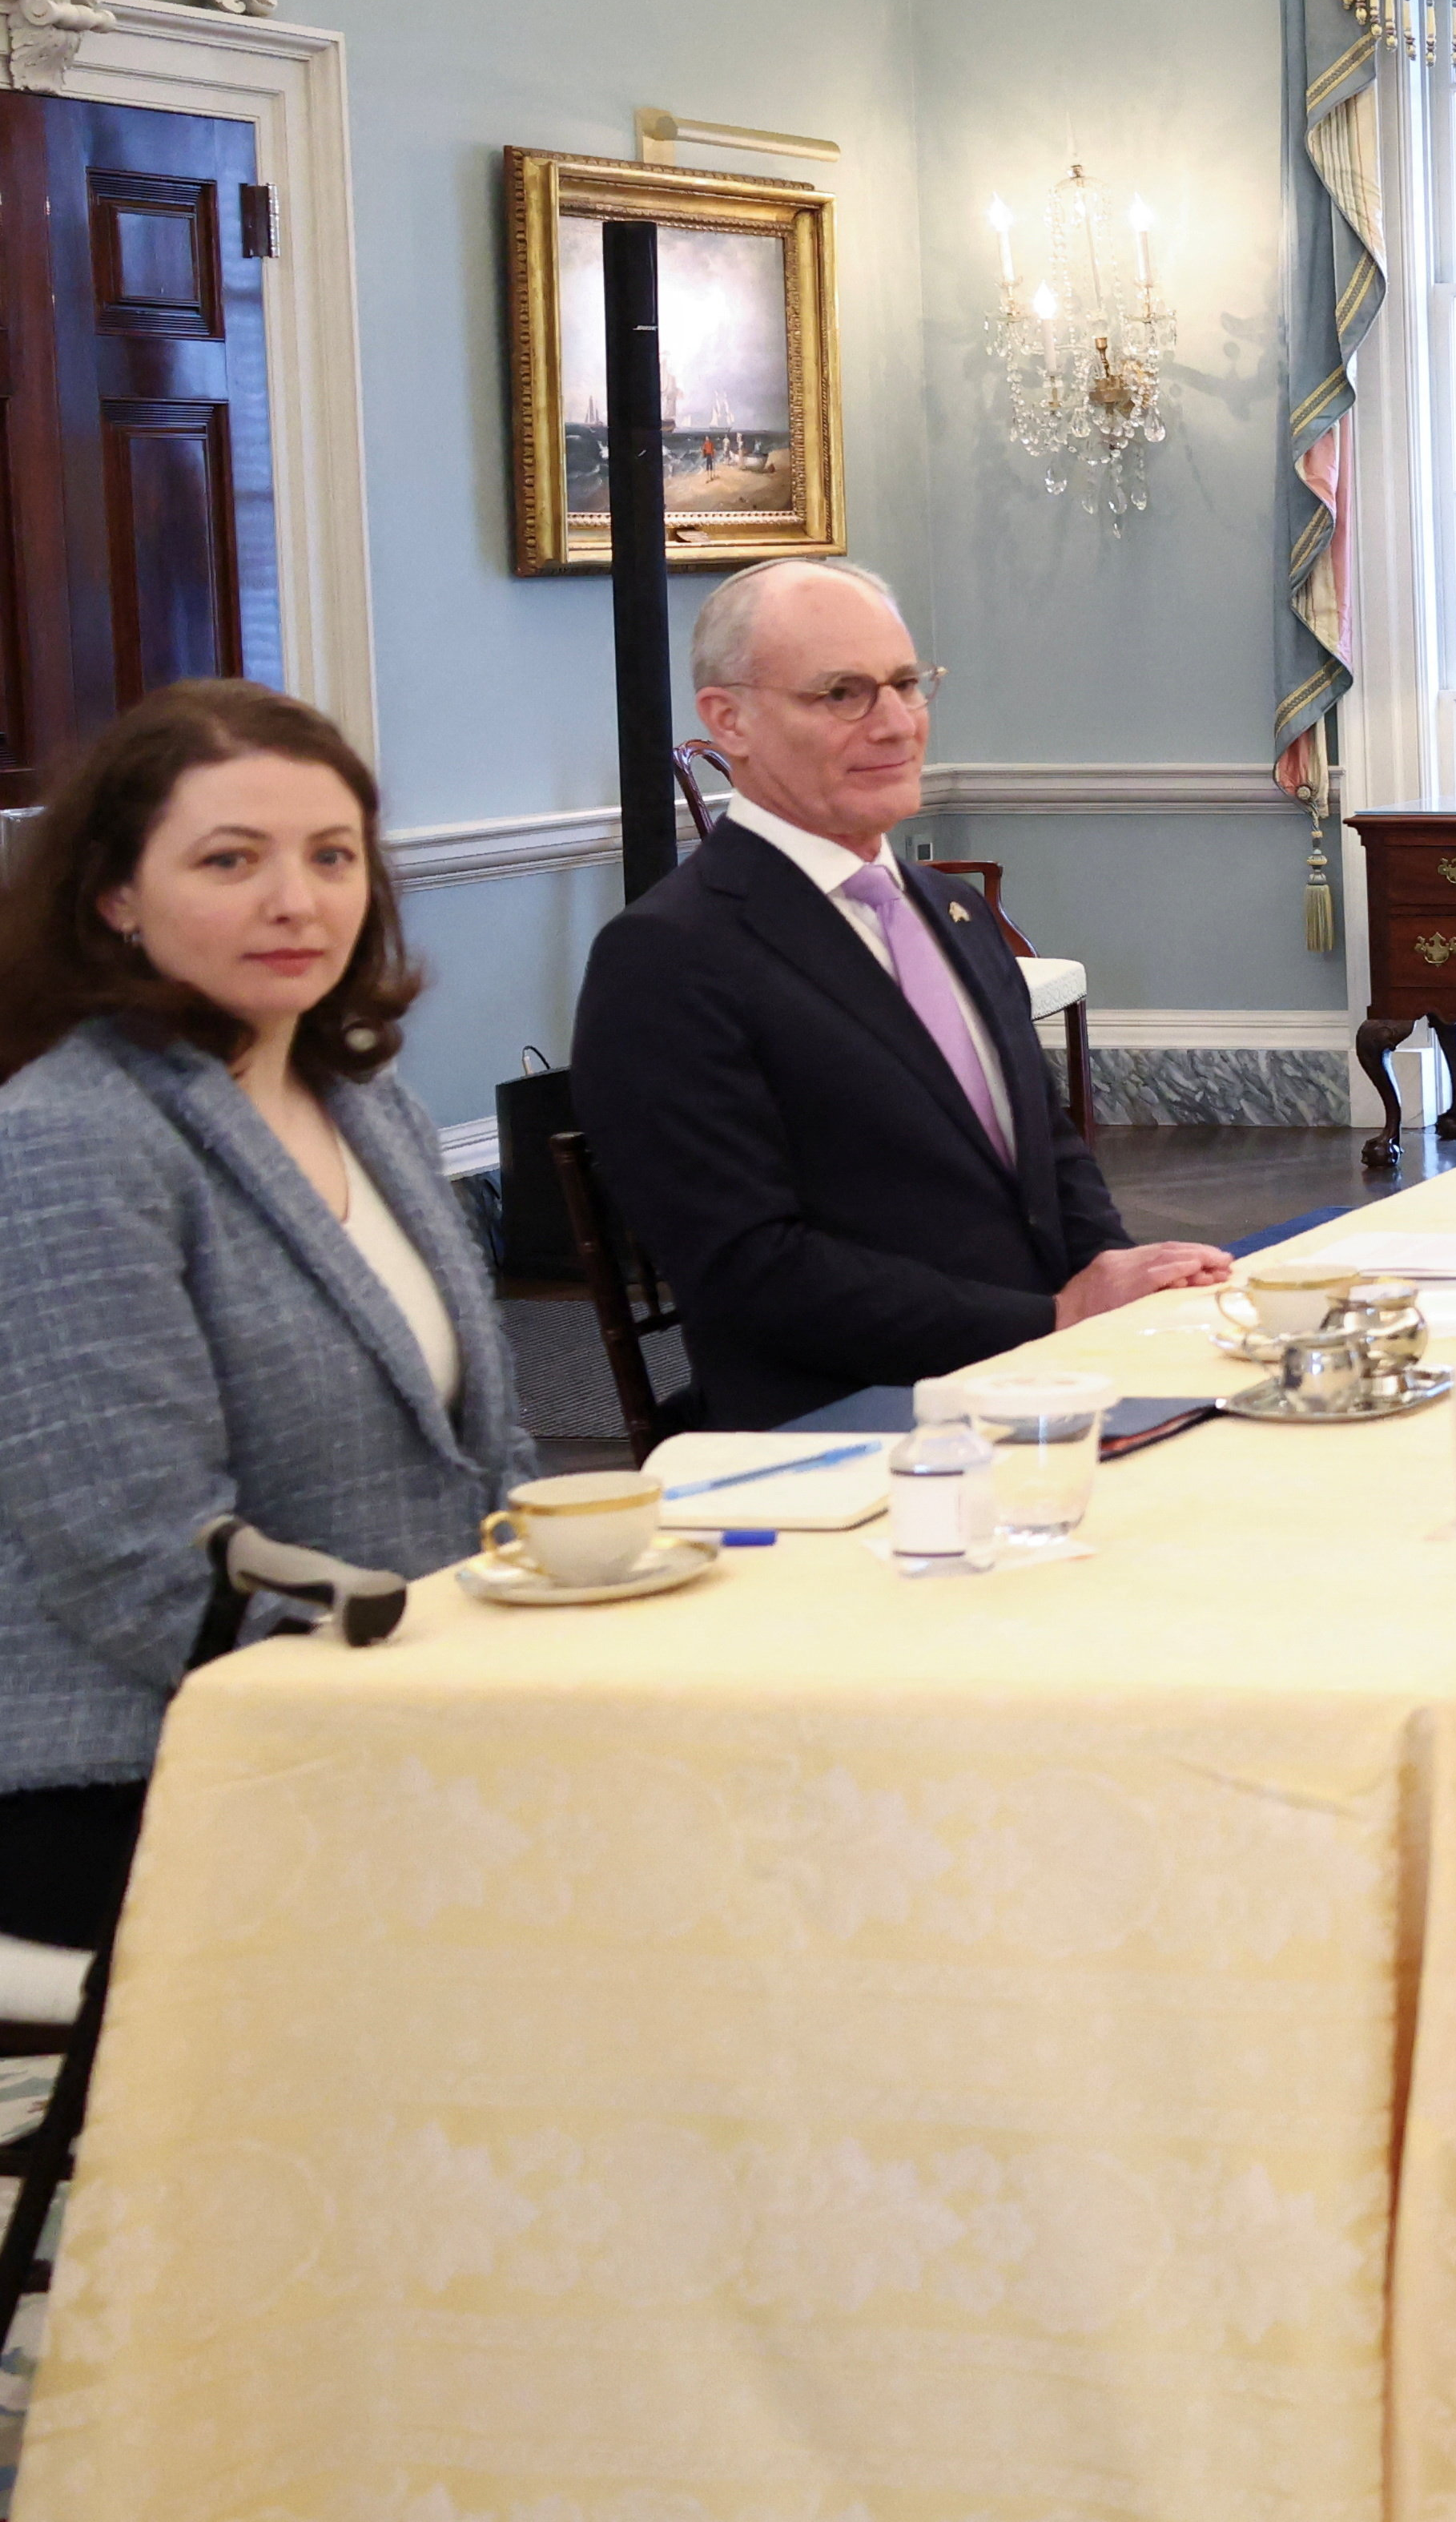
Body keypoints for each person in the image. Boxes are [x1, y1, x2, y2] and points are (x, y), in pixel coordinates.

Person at [0, 683, 528, 1955]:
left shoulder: (363, 1099)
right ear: (115, 895)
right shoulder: (68, 1136)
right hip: (157, 1775)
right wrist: (424, 1696)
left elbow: (488, 1455)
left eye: (331, 856)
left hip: (391, 1715)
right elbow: (137, 1562)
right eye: (231, 860)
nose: (297, 900)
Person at [571, 559, 1226, 1436]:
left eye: (907, 686)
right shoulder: (669, 955)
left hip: (1047, 1395)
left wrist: (1121, 1282)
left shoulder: (950, 909)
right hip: (846, 1437)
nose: (894, 725)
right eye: (841, 694)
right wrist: (1051, 1322)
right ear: (730, 721)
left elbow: (1049, 1151)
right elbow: (749, 1267)